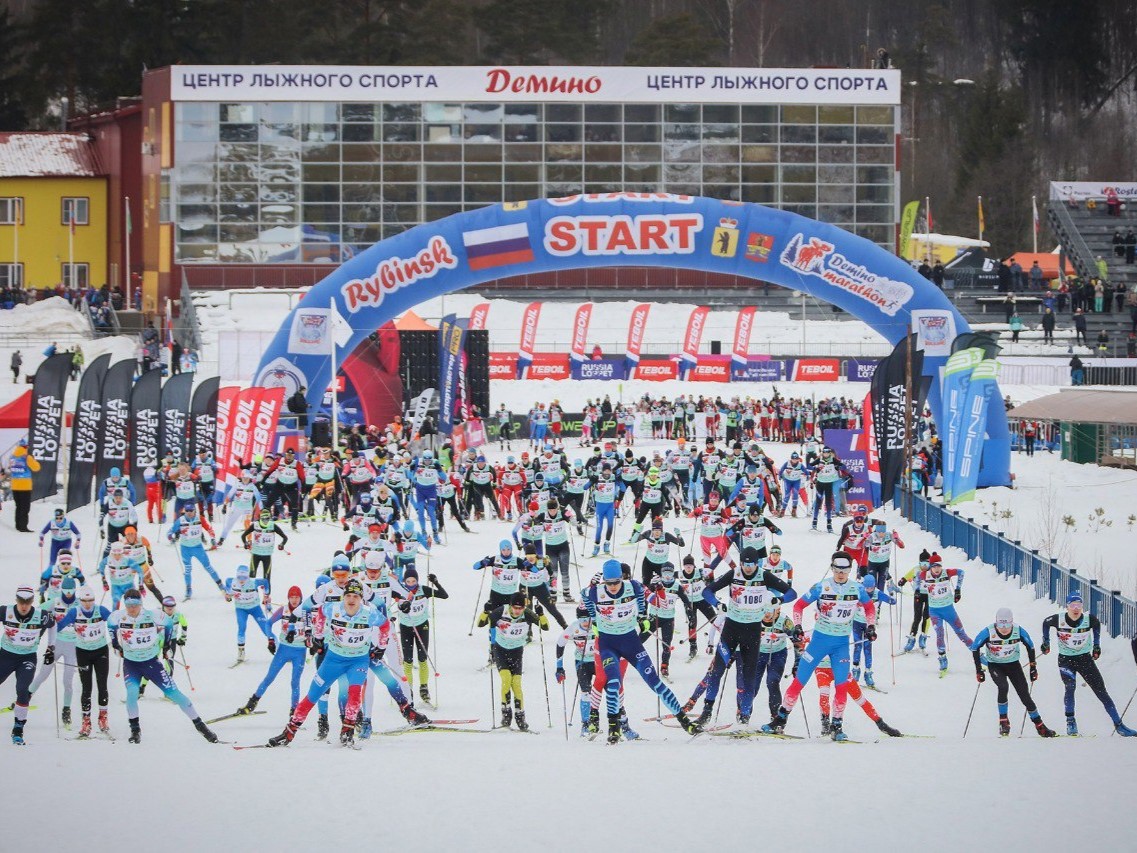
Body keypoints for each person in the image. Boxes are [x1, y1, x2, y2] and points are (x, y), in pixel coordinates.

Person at [762, 551, 876, 742]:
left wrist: (871, 626)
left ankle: (836, 726)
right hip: (818, 644)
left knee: (841, 687)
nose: (840, 573)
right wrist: (797, 625)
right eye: (837, 569)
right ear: (832, 568)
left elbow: (870, 607)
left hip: (840, 646)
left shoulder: (857, 588)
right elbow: (798, 606)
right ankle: (779, 720)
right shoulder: (821, 587)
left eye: (845, 570)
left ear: (850, 570)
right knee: (798, 682)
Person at [583, 559, 701, 742]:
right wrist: (595, 620)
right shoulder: (595, 591)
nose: (613, 586)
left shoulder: (634, 586)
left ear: (622, 578)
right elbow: (585, 598)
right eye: (609, 583)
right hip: (608, 644)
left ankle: (684, 721)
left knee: (654, 681)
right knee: (613, 683)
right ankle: (613, 728)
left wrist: (642, 615)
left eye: (616, 582)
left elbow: (657, 601)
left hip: (630, 641)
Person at [268, 578, 383, 747]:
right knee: (313, 694)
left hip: (358, 660)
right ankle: (289, 732)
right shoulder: (333, 608)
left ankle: (347, 731)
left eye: (356, 597)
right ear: (344, 596)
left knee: (354, 693)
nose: (351, 600)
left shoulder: (369, 613)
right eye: (349, 596)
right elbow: (319, 612)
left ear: (361, 599)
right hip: (334, 659)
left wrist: (381, 647)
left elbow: (386, 625)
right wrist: (318, 637)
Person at [110, 588, 219, 744]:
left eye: (135, 605)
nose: (131, 609)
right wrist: (116, 645)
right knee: (132, 695)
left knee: (175, 694)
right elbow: (110, 626)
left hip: (151, 663)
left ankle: (201, 726)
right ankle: (135, 730)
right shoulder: (118, 616)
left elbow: (168, 623)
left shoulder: (153, 615)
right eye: (128, 605)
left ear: (141, 603)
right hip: (131, 664)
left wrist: (167, 646)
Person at [1040, 593, 1136, 736]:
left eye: (1079, 605)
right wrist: (1046, 642)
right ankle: (1071, 722)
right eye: (1072, 605)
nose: (1076, 608)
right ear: (1067, 606)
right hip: (1066, 660)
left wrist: (1096, 646)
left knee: (1101, 691)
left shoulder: (1089, 619)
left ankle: (1119, 725)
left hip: (1085, 659)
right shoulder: (1058, 619)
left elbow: (1096, 627)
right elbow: (1045, 623)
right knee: (1070, 686)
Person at [971, 607, 1054, 737]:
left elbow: (1030, 646)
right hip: (995, 665)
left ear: (1012, 622)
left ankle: (1040, 725)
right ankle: (1003, 721)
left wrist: (1033, 667)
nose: (1004, 628)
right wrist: (979, 670)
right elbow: (975, 647)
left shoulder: (1018, 630)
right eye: (1001, 624)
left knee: (1024, 695)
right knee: (1003, 686)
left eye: (1007, 624)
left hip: (1013, 665)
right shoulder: (988, 632)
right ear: (996, 622)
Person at [478, 591, 549, 731]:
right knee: (506, 679)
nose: (517, 611)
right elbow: (481, 623)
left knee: (516, 684)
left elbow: (545, 627)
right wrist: (486, 611)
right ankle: (506, 714)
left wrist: (541, 614)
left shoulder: (527, 613)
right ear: (510, 606)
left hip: (517, 652)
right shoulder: (501, 611)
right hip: (500, 650)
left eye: (520, 608)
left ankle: (520, 717)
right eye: (515, 608)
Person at [234, 585, 309, 717]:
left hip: (299, 651)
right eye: (292, 597)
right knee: (269, 677)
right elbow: (268, 624)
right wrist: (270, 639)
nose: (294, 600)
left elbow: (315, 626)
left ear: (301, 598)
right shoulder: (284, 610)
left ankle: (294, 712)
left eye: (297, 597)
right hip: (284, 649)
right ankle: (252, 703)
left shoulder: (305, 611)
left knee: (295, 682)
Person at [56, 586, 113, 738]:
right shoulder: (74, 612)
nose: (88, 604)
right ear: (80, 601)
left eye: (90, 600)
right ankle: (86, 721)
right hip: (83, 653)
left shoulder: (101, 610)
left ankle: (103, 718)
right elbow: (59, 626)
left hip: (101, 651)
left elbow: (114, 621)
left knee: (102, 685)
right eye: (84, 601)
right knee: (86, 687)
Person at [0, 586, 55, 744]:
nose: (24, 606)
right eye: (21, 601)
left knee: (23, 690)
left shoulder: (41, 616)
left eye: (28, 602)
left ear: (32, 601)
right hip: (6, 656)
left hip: (27, 658)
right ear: (16, 600)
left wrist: (51, 647)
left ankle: (18, 728)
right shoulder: (6, 611)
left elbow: (53, 625)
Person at [392, 567, 448, 707]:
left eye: (413, 580)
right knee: (408, 660)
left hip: (422, 626)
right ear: (404, 581)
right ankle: (408, 690)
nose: (411, 583)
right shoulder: (400, 591)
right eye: (408, 581)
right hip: (406, 627)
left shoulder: (424, 590)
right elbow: (385, 597)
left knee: (423, 658)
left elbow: (444, 595)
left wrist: (435, 582)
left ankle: (424, 688)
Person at [8, 438, 40, 532]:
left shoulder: (12, 457)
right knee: (25, 507)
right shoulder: (26, 457)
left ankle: (18, 525)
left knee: (18, 506)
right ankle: (23, 527)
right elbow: (36, 468)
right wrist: (33, 460)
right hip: (25, 486)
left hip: (14, 485)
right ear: (26, 447)